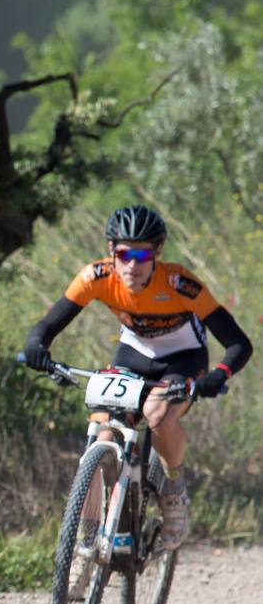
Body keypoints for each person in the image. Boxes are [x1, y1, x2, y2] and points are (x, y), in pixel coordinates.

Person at [21, 204, 252, 549]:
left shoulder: (180, 283)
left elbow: (238, 343)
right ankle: (83, 542)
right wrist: (37, 345)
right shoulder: (95, 277)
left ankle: (173, 489)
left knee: (158, 417)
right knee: (102, 435)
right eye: (124, 254)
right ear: (111, 252)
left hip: (183, 359)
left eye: (142, 255)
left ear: (157, 253)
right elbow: (48, 325)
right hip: (134, 355)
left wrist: (218, 374)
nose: (132, 264)